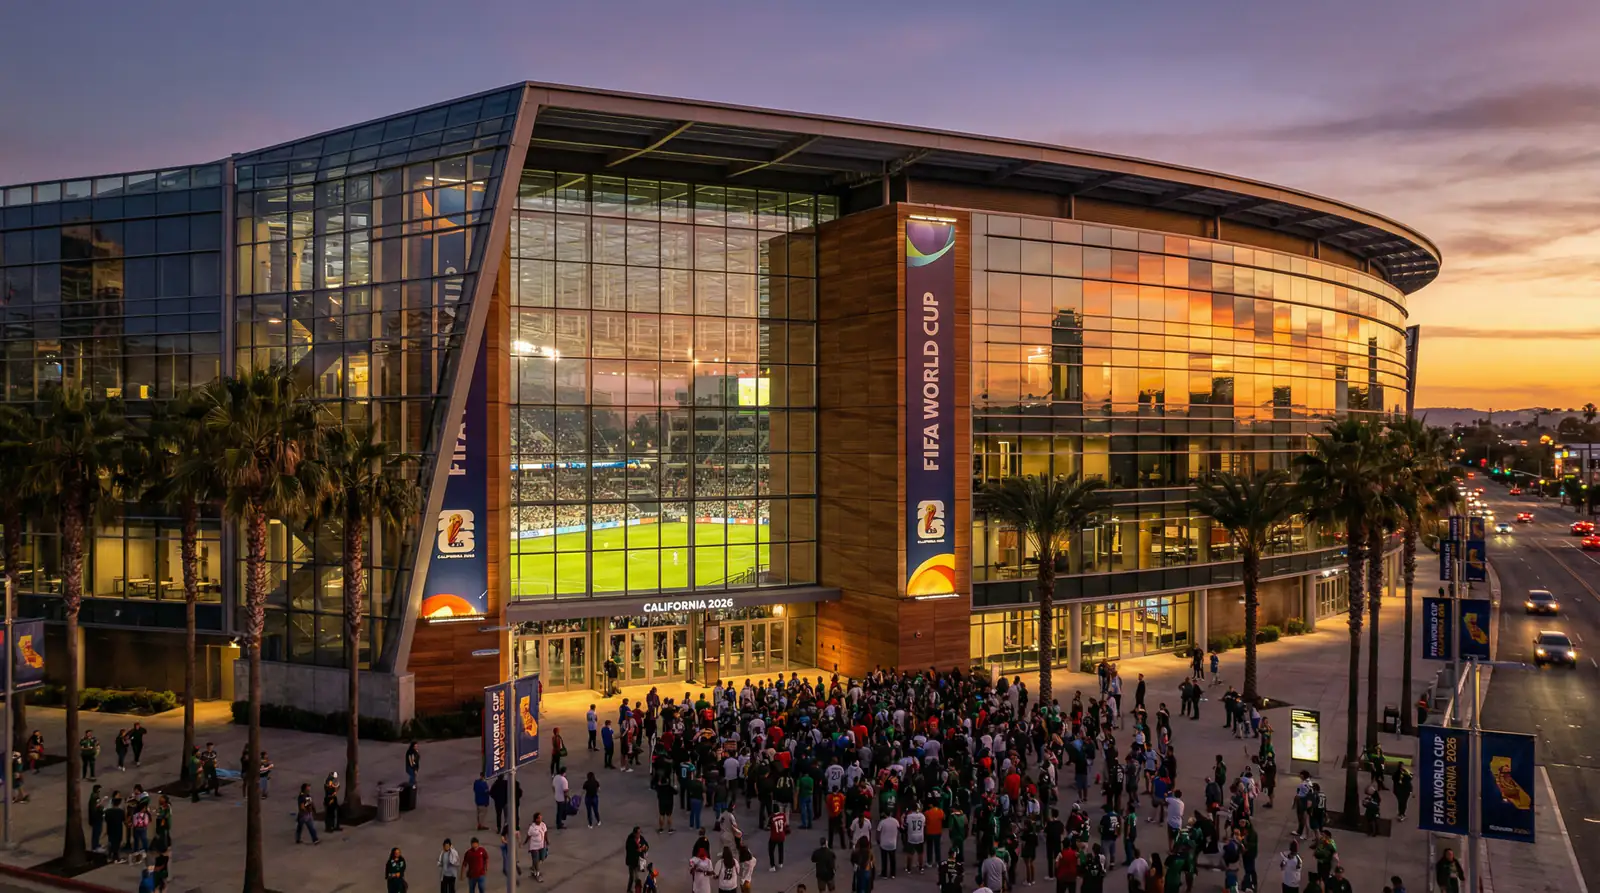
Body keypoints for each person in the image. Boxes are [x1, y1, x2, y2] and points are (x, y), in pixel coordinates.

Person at [876, 809, 900, 879]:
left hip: (884, 843)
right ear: (891, 814)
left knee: (884, 859)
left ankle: (884, 874)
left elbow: (878, 832)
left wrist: (878, 840)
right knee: (893, 859)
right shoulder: (895, 821)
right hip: (893, 843)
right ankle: (893, 874)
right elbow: (898, 829)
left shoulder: (882, 822)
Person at [104, 793, 127, 863]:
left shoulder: (108, 811)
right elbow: (124, 821)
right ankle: (115, 857)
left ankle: (109, 856)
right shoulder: (121, 812)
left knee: (111, 842)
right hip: (118, 830)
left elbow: (106, 820)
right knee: (117, 844)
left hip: (110, 829)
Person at [626, 827, 650, 893]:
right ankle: (632, 890)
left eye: (640, 833)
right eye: (638, 833)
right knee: (634, 877)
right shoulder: (630, 840)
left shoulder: (641, 838)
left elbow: (647, 845)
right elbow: (629, 850)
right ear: (634, 833)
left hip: (639, 861)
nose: (639, 834)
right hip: (632, 861)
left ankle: (631, 889)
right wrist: (637, 850)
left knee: (634, 877)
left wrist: (645, 848)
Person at [526, 813, 549, 881]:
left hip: (542, 845)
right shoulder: (532, 828)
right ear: (535, 819)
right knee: (536, 859)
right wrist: (524, 843)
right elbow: (528, 836)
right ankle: (537, 874)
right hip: (534, 847)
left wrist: (547, 841)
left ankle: (534, 867)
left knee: (542, 858)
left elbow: (545, 833)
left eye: (541, 818)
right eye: (539, 818)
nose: (540, 819)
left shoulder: (543, 825)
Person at [768, 802, 789, 870]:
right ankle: (781, 863)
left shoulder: (772, 817)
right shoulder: (783, 815)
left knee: (771, 850)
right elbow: (785, 824)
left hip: (774, 836)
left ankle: (773, 866)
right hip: (781, 835)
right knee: (781, 849)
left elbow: (769, 826)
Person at [87, 784, 105, 852]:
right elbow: (97, 808)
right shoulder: (95, 798)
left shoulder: (93, 797)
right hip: (96, 818)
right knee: (97, 832)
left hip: (95, 818)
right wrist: (102, 810)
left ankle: (96, 844)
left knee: (97, 832)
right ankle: (95, 846)